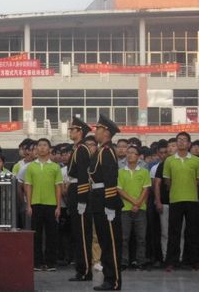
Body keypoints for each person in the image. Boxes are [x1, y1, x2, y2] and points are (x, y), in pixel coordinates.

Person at [88, 114, 123, 291]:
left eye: (99, 129)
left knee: (111, 243)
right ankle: (109, 278)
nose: (97, 131)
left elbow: (111, 179)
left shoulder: (107, 152)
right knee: (104, 242)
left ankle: (114, 280)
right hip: (98, 199)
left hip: (106, 200)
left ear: (106, 132)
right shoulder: (101, 150)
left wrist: (109, 205)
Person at [163, 131, 199, 271]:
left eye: (184, 140)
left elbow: (197, 181)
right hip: (175, 200)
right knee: (174, 232)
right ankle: (172, 262)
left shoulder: (196, 160)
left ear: (189, 144)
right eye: (179, 139)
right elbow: (167, 181)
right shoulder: (169, 160)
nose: (181, 142)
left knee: (193, 232)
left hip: (192, 200)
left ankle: (193, 261)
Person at [25, 138, 62, 271]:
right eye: (39, 145)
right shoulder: (31, 166)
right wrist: (28, 205)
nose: (41, 148)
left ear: (49, 149)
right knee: (37, 234)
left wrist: (58, 206)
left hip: (51, 204)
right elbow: (28, 186)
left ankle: (51, 262)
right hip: (35, 204)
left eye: (44, 145)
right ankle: (37, 262)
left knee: (52, 235)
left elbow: (58, 187)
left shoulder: (55, 167)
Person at [65, 117, 94, 282]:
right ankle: (81, 269)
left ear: (80, 131)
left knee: (83, 234)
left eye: (72, 129)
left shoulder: (82, 150)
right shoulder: (78, 148)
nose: (70, 132)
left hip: (79, 192)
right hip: (75, 191)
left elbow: (83, 176)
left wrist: (82, 200)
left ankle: (85, 270)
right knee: (78, 233)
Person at [117, 145, 151, 270]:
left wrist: (138, 204)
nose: (130, 155)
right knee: (124, 238)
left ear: (138, 156)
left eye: (133, 153)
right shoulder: (120, 171)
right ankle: (124, 262)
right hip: (125, 209)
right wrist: (134, 202)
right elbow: (119, 189)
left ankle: (140, 261)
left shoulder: (144, 171)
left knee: (141, 238)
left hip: (141, 209)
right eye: (128, 152)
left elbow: (146, 189)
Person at [153, 138, 177, 266]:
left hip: (180, 202)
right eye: (170, 146)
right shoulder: (162, 165)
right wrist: (158, 201)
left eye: (174, 145)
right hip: (166, 203)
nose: (171, 148)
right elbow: (157, 184)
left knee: (181, 232)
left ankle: (178, 258)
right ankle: (165, 257)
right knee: (165, 232)